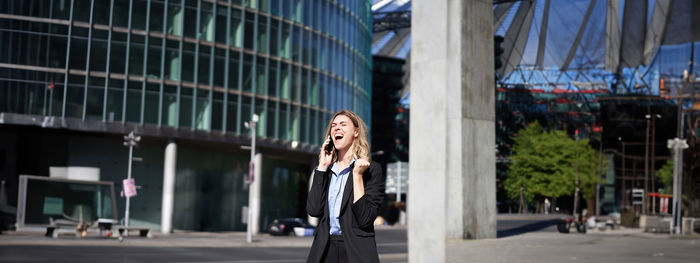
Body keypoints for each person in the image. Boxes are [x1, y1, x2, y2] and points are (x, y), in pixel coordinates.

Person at [306, 110, 385, 263]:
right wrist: (322, 167)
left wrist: (357, 176)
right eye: (334, 125)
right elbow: (314, 210)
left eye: (343, 124)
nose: (336, 128)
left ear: (356, 132)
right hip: (324, 250)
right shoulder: (326, 171)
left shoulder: (371, 170)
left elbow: (365, 219)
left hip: (356, 251)